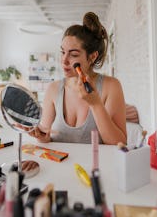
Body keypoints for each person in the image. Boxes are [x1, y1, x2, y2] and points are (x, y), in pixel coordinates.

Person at [29, 12, 127, 145]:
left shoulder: (111, 86)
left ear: (92, 57)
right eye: (63, 52)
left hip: (95, 165)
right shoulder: (53, 89)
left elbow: (119, 143)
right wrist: (42, 137)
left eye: (73, 54)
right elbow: (47, 137)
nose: (64, 60)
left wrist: (96, 104)